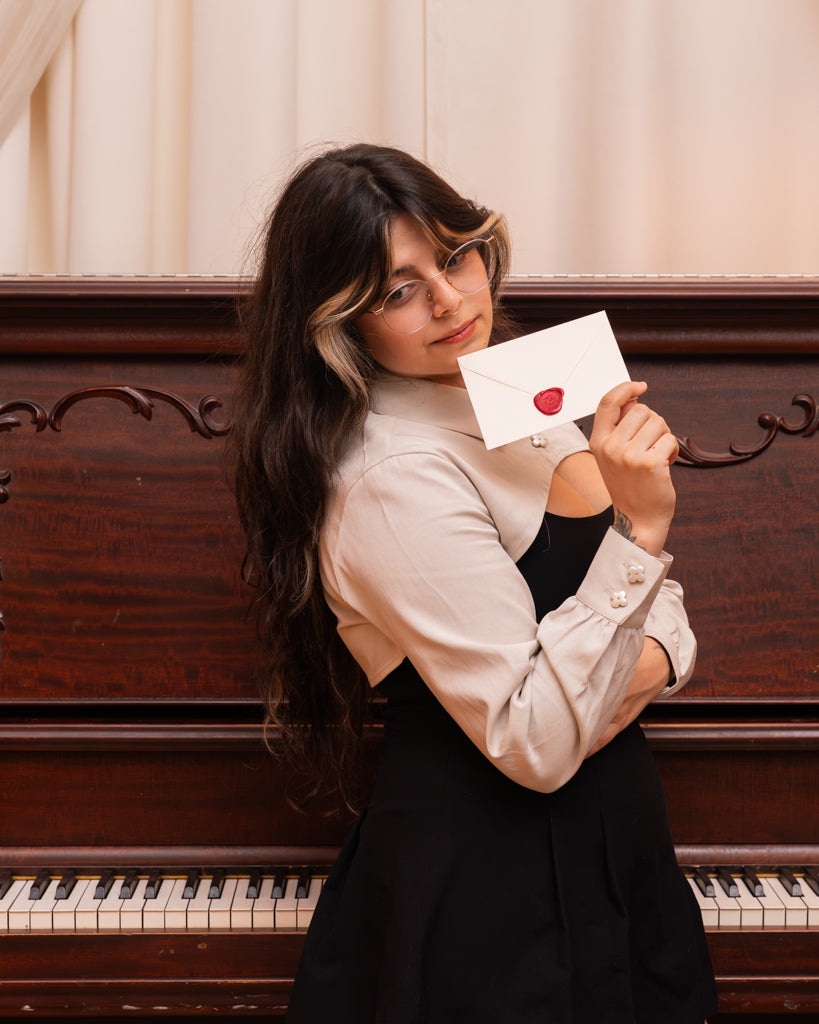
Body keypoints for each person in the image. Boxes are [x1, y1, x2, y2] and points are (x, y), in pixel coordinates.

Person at [229, 143, 718, 1023]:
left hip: (619, 850)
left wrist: (611, 681)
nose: (451, 298)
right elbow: (534, 744)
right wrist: (642, 530)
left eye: (453, 254)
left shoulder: (514, 379)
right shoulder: (388, 476)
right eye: (397, 289)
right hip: (490, 891)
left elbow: (671, 623)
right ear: (338, 324)